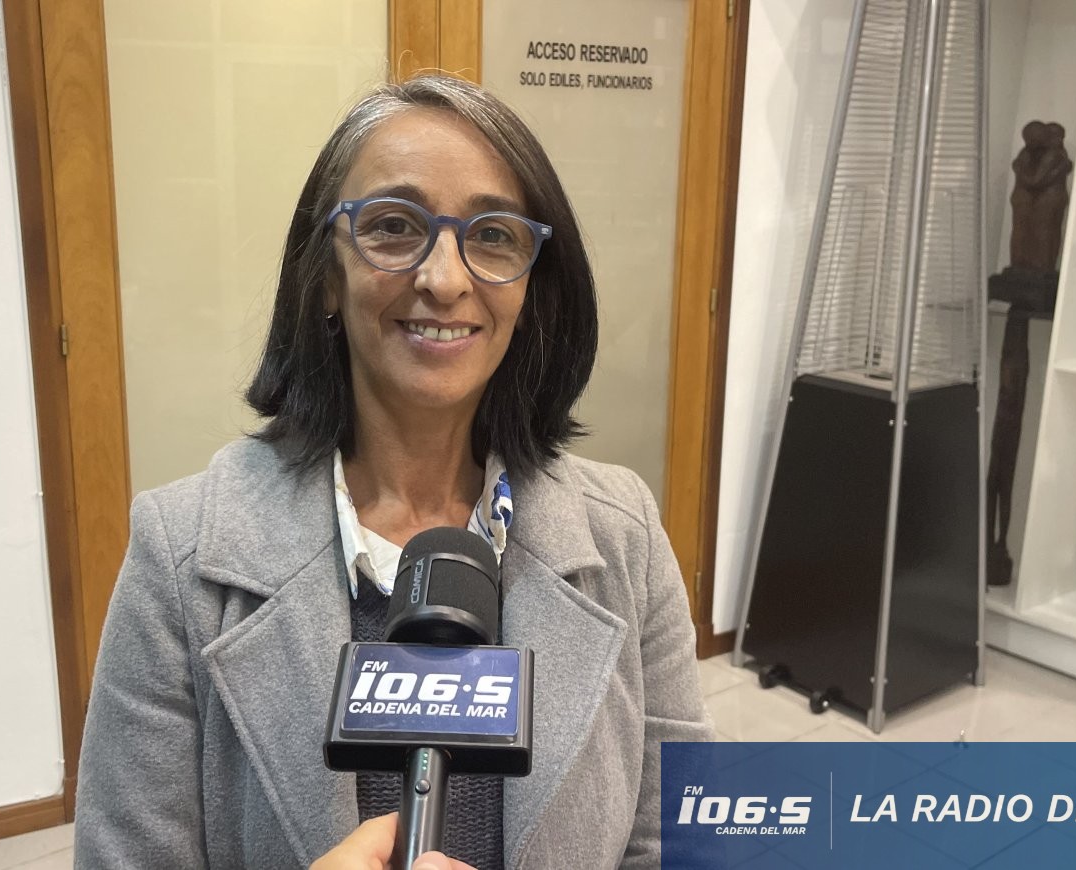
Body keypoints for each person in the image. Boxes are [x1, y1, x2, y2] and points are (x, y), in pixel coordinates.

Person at [72, 73, 713, 869]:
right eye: (394, 226)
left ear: (531, 290)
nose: (445, 279)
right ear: (325, 275)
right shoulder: (180, 558)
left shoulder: (626, 535)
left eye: (493, 235)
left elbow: (683, 846)